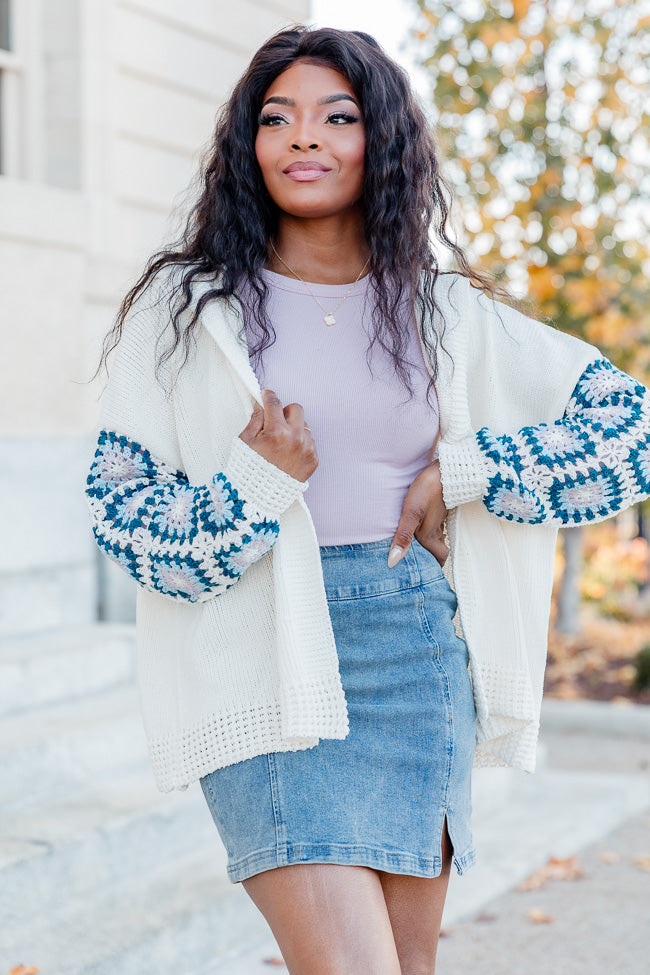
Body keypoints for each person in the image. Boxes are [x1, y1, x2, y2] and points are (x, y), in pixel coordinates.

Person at [85, 24, 650, 975]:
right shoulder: (187, 314)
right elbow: (126, 521)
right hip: (261, 665)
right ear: (248, 147)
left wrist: (465, 472)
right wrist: (256, 484)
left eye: (335, 116)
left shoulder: (442, 311)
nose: (304, 138)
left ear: (379, 139)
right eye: (277, 119)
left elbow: (628, 429)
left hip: (412, 654)